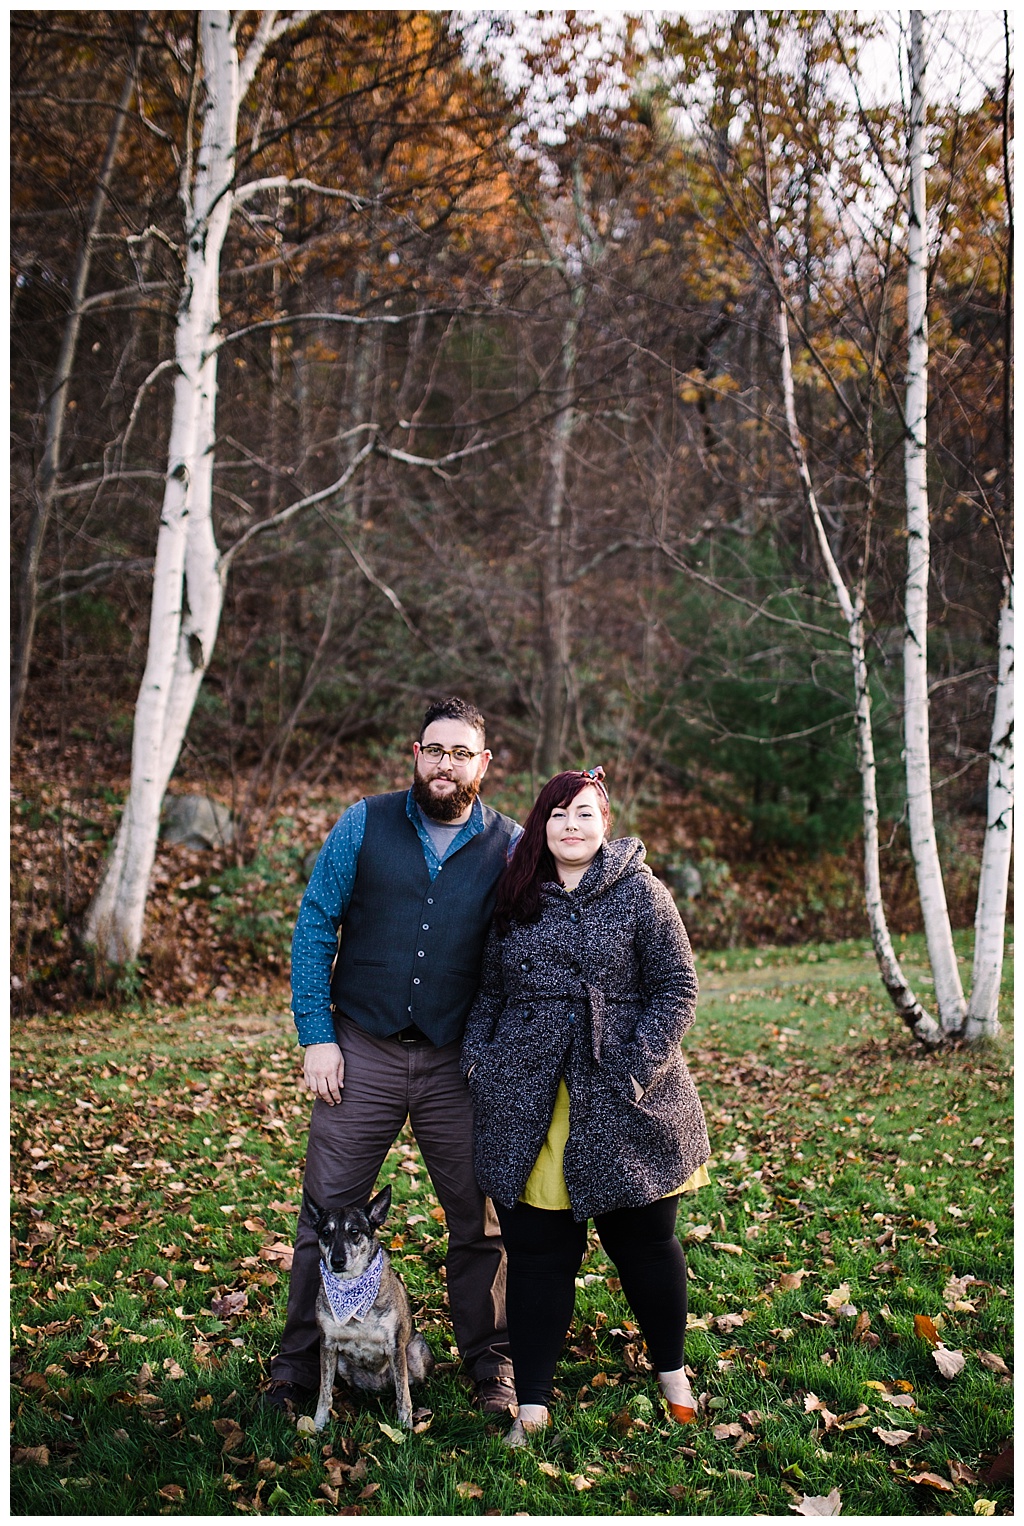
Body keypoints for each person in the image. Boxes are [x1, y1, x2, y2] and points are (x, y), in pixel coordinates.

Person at [265, 697, 520, 1416]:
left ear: (483, 764)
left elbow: (545, 930)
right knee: (326, 1216)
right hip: (361, 1052)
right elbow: (315, 920)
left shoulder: (510, 845)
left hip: (457, 1064)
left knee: (480, 1222)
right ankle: (295, 1368)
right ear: (416, 754)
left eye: (460, 753)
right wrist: (316, 1032)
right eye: (434, 751)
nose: (446, 765)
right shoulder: (363, 824)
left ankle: (491, 1364)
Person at [461, 767, 710, 1446]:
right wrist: (480, 1063)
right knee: (538, 1257)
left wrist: (637, 1066)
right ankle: (534, 1405)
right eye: (558, 815)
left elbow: (678, 987)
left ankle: (671, 1371)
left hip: (626, 1097)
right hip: (528, 1098)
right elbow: (487, 992)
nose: (571, 826)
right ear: (542, 825)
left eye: (585, 815)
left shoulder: (641, 894)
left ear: (606, 825)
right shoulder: (515, 896)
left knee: (647, 1247)